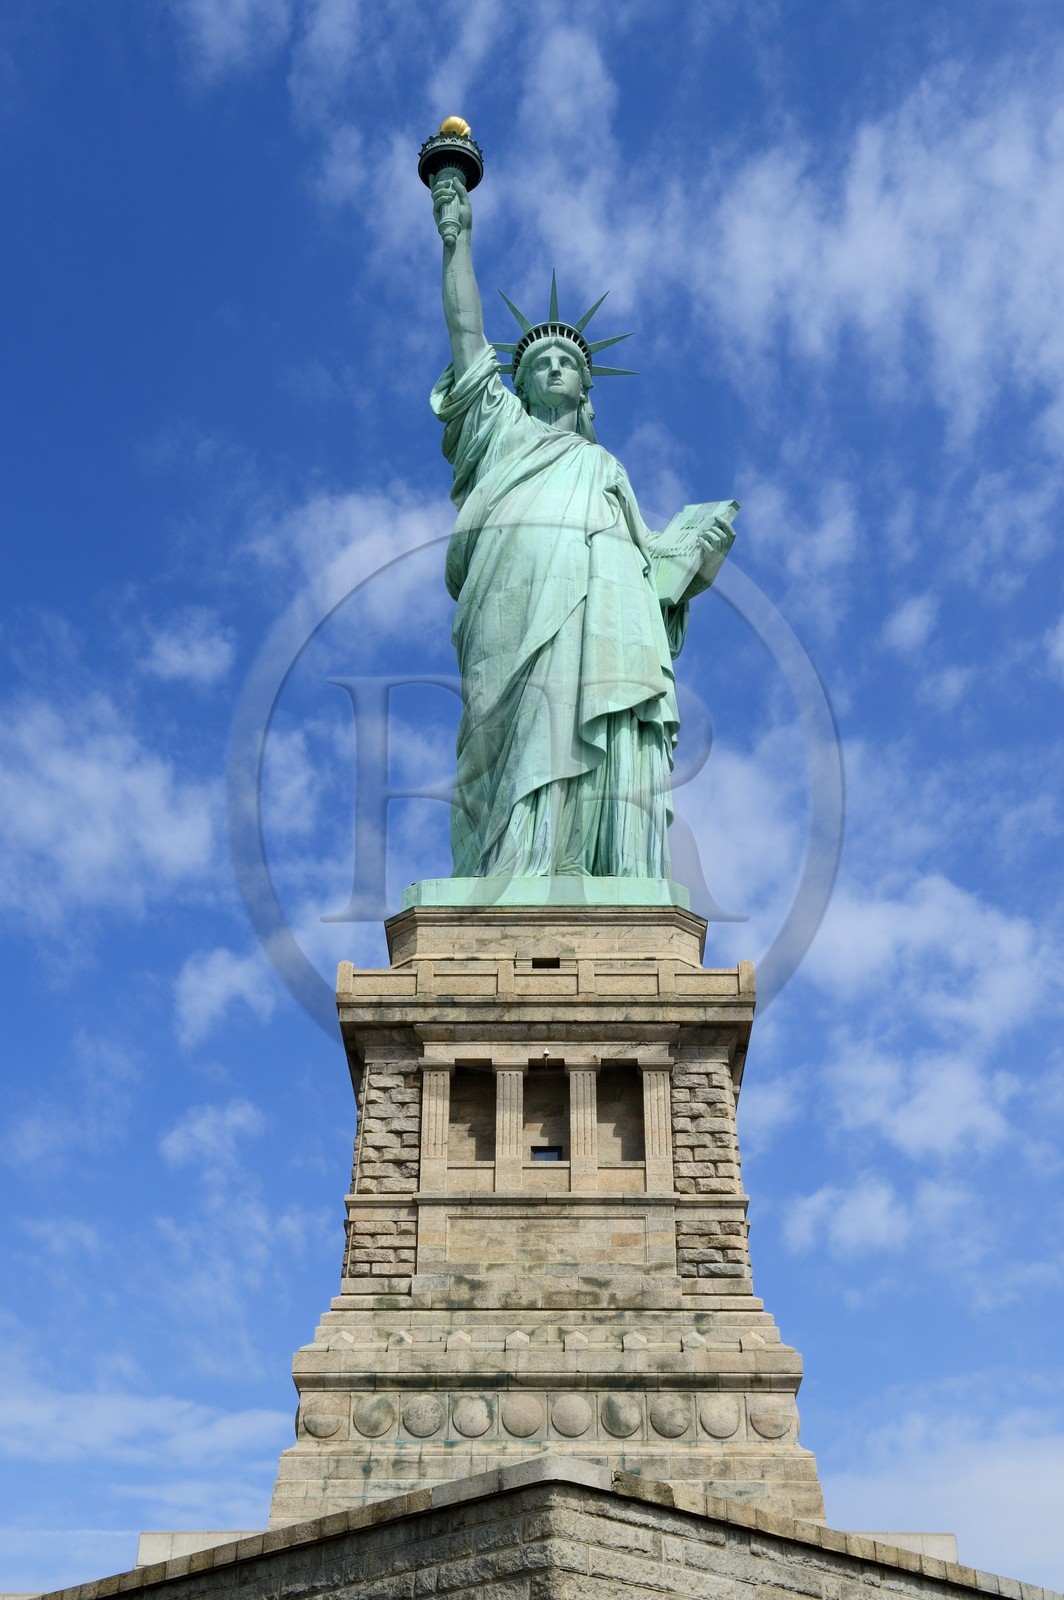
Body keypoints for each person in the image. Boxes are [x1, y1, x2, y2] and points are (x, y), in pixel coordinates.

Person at [430, 172, 731, 882]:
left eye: (568, 362)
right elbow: (468, 335)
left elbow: (652, 561)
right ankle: (513, 871)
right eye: (541, 362)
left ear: (585, 389)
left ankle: (596, 869)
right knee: (508, 735)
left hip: (604, 615)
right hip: (511, 608)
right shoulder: (500, 432)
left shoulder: (605, 469)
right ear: (523, 381)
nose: (556, 368)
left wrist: (694, 556)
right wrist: (457, 239)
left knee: (599, 726)